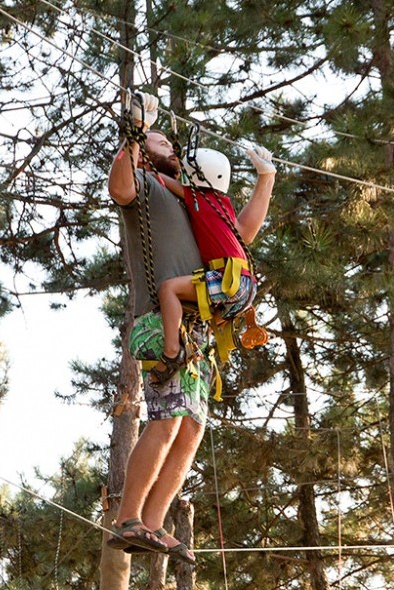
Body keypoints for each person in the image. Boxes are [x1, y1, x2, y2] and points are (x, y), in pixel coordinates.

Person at [103, 91, 275, 565]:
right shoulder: (146, 186)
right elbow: (119, 188)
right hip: (165, 323)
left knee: (190, 430)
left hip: (197, 332)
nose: (170, 146)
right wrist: (134, 134)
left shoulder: (197, 200)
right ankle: (128, 518)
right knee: (166, 420)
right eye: (160, 142)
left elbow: (239, 234)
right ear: (144, 154)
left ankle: (154, 523)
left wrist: (266, 179)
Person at [151, 143, 277, 387]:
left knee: (168, 289)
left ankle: (172, 352)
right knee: (206, 310)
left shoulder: (197, 198)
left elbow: (162, 181)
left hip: (229, 280)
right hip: (243, 283)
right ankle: (221, 320)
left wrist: (147, 169)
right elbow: (246, 230)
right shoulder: (221, 203)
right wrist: (266, 176)